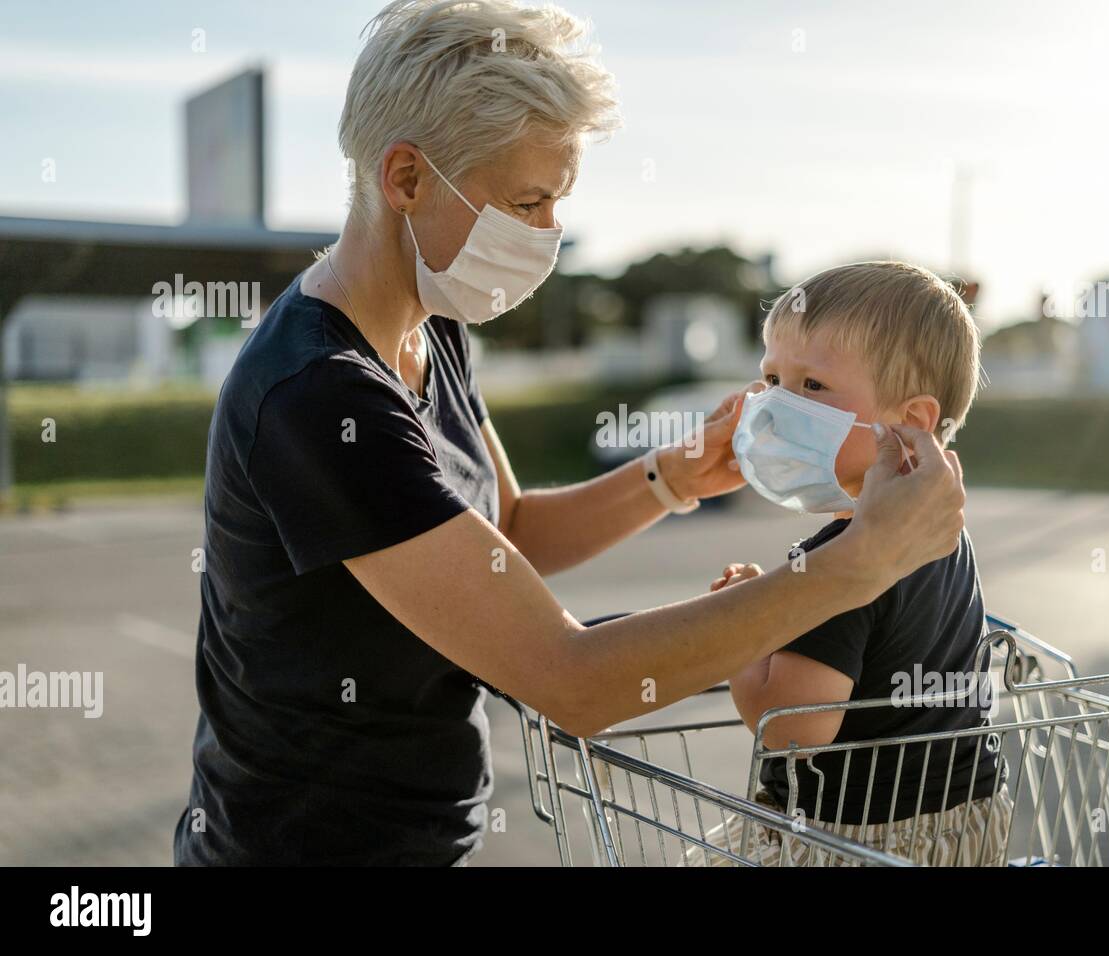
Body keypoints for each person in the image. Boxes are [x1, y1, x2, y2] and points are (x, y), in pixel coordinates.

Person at [173, 1, 968, 867]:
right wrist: (859, 564)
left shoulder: (430, 326)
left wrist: (670, 480)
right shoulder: (320, 398)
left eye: (559, 199)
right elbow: (571, 681)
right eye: (528, 199)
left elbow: (502, 533)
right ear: (406, 178)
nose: (550, 230)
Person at [683, 262, 1011, 867]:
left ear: (909, 423)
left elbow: (789, 728)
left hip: (850, 840)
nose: (776, 405)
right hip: (963, 828)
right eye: (772, 378)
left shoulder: (836, 565)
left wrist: (744, 633)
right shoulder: (944, 536)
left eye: (812, 387)